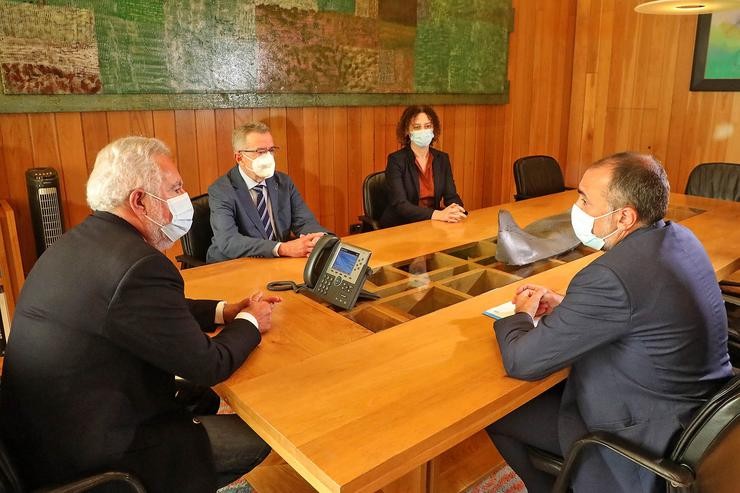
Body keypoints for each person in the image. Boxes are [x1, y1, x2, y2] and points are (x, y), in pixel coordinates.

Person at [0, 137, 282, 492]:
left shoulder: (80, 242)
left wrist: (225, 312)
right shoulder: (139, 265)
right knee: (258, 437)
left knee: (202, 398)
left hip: (42, 441)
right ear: (139, 200)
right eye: (175, 188)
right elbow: (209, 365)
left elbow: (141, 310)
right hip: (99, 458)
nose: (184, 196)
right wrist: (252, 320)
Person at [485, 152, 732, 492]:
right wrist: (570, 306)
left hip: (642, 438)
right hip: (695, 419)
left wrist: (522, 316)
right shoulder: (680, 239)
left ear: (624, 217)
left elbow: (522, 361)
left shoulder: (609, 276)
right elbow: (640, 308)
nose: (577, 207)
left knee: (500, 415)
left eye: (585, 200)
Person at [207, 122, 327, 261]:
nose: (268, 157)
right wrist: (282, 248)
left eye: (271, 150)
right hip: (232, 265)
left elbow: (305, 222)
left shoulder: (283, 182)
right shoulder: (221, 190)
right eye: (261, 151)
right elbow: (229, 241)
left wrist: (319, 238)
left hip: (276, 261)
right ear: (239, 158)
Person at [379, 105, 466, 228]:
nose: (423, 131)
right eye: (417, 127)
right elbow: (400, 204)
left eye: (427, 126)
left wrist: (456, 209)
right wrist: (438, 214)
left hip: (432, 224)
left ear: (433, 129)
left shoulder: (442, 159)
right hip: (401, 226)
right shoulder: (396, 160)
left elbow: (451, 196)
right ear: (407, 131)